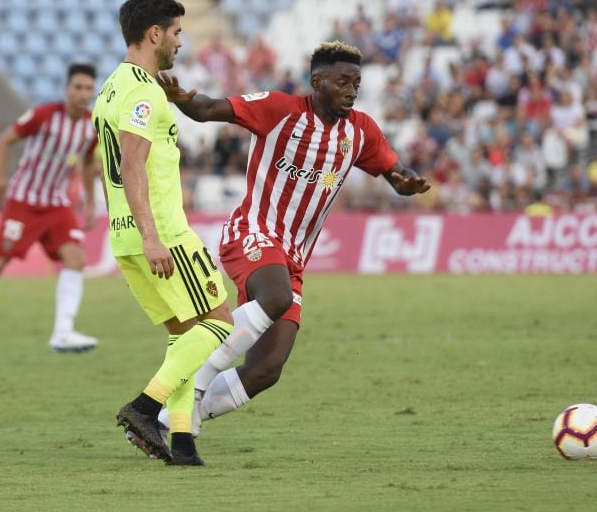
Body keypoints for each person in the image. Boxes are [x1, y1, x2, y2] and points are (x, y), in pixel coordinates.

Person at [155, 41, 429, 434]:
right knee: (276, 296)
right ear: (316, 82)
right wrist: (183, 99)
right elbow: (209, 109)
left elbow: (396, 172)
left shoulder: (360, 131)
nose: (351, 90)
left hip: (293, 257)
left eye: (356, 83)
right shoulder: (278, 109)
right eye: (342, 82)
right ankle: (193, 386)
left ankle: (166, 420)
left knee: (267, 369)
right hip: (252, 230)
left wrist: (405, 183)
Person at [92, 0, 271, 466]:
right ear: (154, 34)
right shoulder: (144, 92)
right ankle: (145, 407)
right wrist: (154, 236)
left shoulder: (112, 87)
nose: (180, 42)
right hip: (163, 233)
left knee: (185, 334)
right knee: (219, 323)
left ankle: (184, 439)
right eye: (175, 32)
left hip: (124, 233)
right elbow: (132, 163)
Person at [0, 64, 100, 357]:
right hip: (23, 201)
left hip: (58, 204)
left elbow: (88, 164)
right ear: (66, 90)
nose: (83, 93)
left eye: (88, 88)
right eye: (78, 87)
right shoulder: (43, 115)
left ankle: (63, 333)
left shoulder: (92, 126)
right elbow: (3, 141)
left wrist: (89, 202)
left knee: (75, 259)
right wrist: (1, 179)